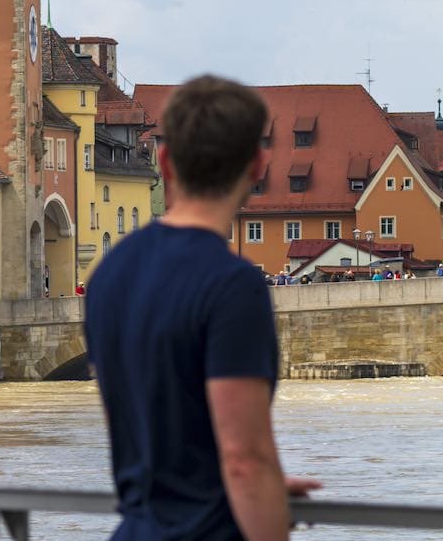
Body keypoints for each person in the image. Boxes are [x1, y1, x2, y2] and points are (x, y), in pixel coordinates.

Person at [86, 75, 319, 540]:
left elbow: (143, 440)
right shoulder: (232, 286)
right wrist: (258, 496)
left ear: (166, 162)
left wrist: (240, 487)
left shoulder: (108, 275)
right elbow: (245, 459)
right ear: (257, 165)